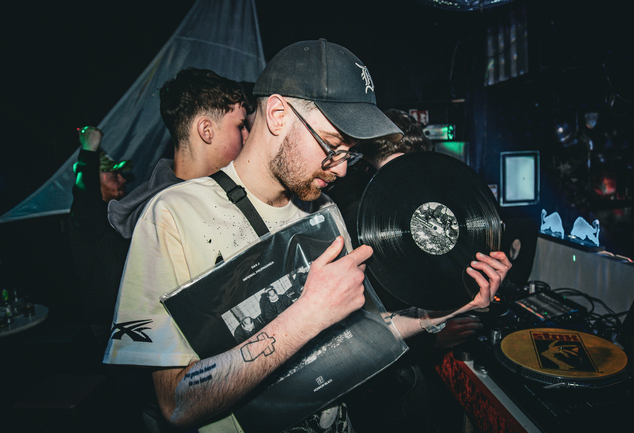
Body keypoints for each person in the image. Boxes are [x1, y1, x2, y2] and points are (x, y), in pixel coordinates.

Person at [104, 40, 510, 433]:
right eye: (332, 146)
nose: (342, 169)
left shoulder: (324, 211)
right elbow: (176, 403)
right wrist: (307, 315)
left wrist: (446, 310)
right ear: (278, 114)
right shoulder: (173, 215)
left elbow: (361, 336)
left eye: (349, 153)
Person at [326, 110, 482, 431]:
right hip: (386, 384)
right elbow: (354, 333)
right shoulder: (347, 218)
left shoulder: (423, 208)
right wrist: (431, 338)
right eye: (387, 175)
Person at [108, 67, 249, 239]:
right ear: (206, 130)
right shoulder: (160, 218)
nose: (247, 136)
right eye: (240, 126)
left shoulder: (229, 191)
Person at [68, 125, 132, 351]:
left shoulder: (116, 211)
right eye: (114, 175)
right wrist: (88, 150)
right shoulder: (86, 215)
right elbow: (84, 192)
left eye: (121, 174)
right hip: (107, 321)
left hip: (128, 314)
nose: (122, 180)